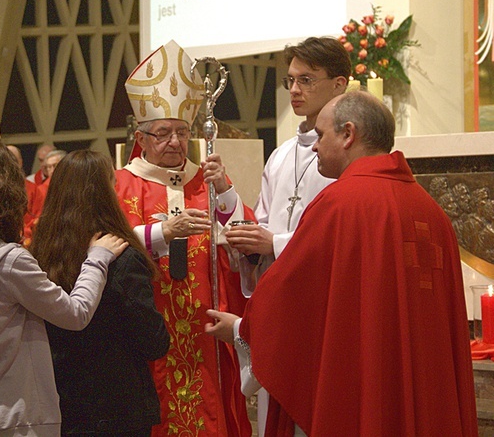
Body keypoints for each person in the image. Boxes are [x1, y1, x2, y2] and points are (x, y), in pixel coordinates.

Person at [205, 92, 478, 435]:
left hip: (356, 393)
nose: (315, 147)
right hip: (421, 395)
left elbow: (289, 297)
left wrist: (241, 330)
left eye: (320, 136)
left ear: (348, 134)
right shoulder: (430, 210)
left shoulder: (340, 204)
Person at [0, 138, 127, 435]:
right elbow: (75, 314)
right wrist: (97, 259)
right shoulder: (8, 261)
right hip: (16, 420)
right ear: (4, 193)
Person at [114, 40, 255, 436]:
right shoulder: (122, 184)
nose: (174, 142)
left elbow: (242, 239)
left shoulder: (206, 179)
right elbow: (107, 245)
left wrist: (226, 190)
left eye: (181, 132)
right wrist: (162, 232)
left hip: (205, 328)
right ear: (140, 139)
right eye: (162, 133)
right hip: (151, 328)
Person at [224, 36, 350, 433]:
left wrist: (273, 243)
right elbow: (264, 220)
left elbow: (343, 237)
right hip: (281, 305)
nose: (294, 90)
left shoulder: (346, 154)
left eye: (306, 80)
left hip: (322, 311)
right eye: (290, 81)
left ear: (339, 85)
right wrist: (249, 243)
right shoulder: (280, 156)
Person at [30, 150, 170, 435]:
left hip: (62, 402)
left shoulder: (39, 253)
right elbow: (153, 342)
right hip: (116, 408)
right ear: (107, 191)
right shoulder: (123, 257)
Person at [24, 149, 66, 246]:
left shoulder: (75, 185)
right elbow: (37, 217)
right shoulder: (41, 190)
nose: (51, 170)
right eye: (48, 167)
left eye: (54, 165)